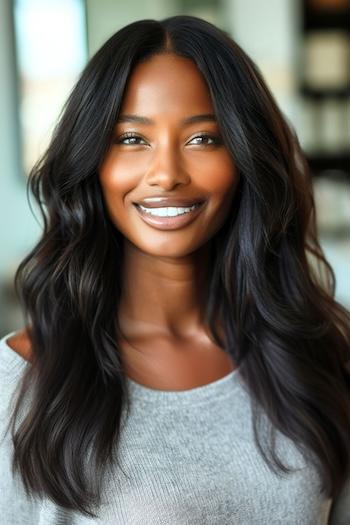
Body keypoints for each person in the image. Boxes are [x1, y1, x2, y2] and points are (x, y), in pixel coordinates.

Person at [0, 15, 349, 524]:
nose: (166, 173)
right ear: (92, 161)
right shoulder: (20, 382)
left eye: (203, 139)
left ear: (246, 158)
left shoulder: (317, 353)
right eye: (131, 140)